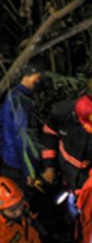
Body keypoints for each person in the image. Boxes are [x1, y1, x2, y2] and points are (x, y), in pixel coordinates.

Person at [41, 94, 92, 192]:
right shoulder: (60, 114)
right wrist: (49, 166)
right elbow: (49, 136)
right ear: (77, 116)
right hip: (66, 165)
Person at [0, 57, 47, 192]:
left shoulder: (14, 95)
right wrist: (30, 172)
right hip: (18, 167)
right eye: (40, 77)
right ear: (35, 76)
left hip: (9, 161)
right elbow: (24, 139)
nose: (41, 81)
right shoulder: (20, 101)